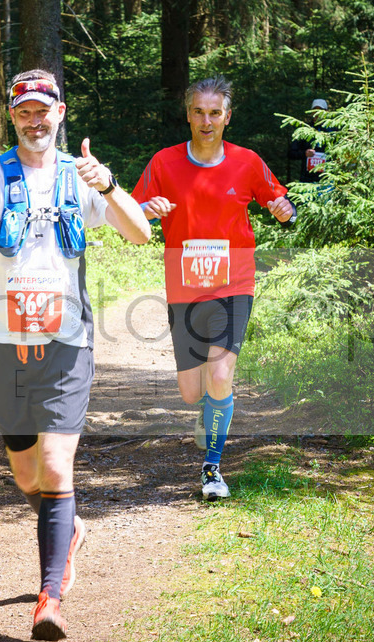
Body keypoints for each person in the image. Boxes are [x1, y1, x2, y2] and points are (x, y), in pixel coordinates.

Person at [0, 70, 150, 642]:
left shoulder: (81, 176)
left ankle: (49, 597)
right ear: (11, 116)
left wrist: (111, 186)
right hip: (1, 341)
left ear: (61, 111)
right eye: (24, 111)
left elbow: (141, 234)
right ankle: (67, 530)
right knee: (25, 472)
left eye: (43, 109)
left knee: (54, 468)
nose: (34, 119)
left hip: (68, 342)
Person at [132, 76, 295, 501]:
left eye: (215, 113)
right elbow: (130, 216)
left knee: (220, 376)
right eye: (199, 112)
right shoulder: (164, 163)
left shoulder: (246, 161)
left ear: (227, 116)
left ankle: (212, 467)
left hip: (234, 282)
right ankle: (215, 411)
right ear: (188, 115)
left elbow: (279, 200)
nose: (207, 121)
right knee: (192, 392)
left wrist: (283, 207)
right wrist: (147, 209)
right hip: (185, 288)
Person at [288, 98, 330, 183]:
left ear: (326, 111)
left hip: (327, 180)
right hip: (307, 181)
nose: (316, 114)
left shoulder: (333, 131)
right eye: (314, 110)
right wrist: (304, 153)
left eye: (320, 110)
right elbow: (291, 153)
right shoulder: (304, 130)